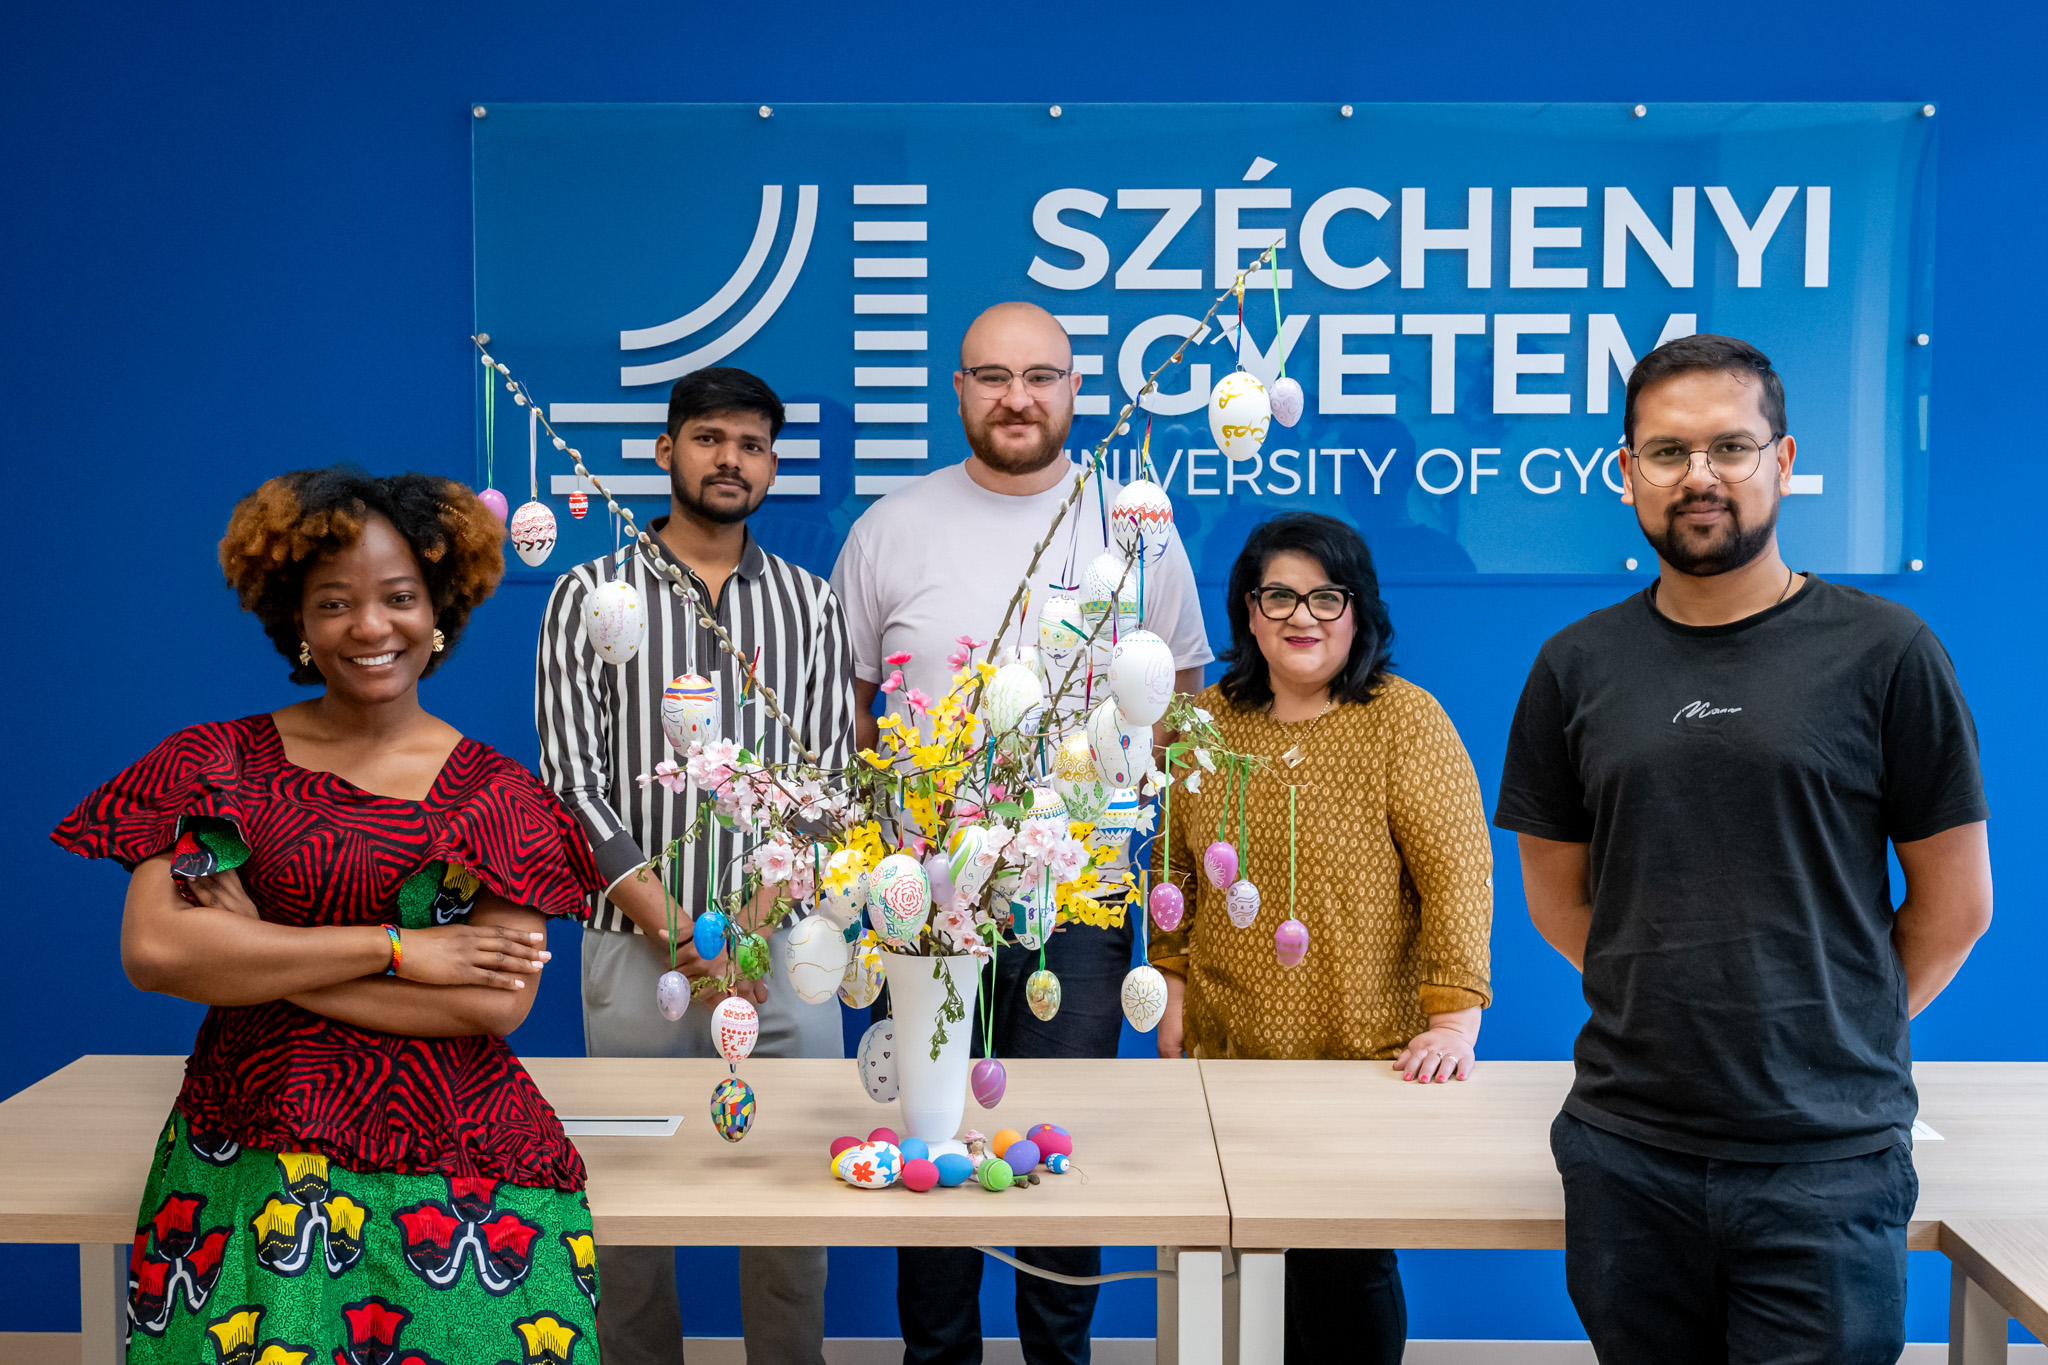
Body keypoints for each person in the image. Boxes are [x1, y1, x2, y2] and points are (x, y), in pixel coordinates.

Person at [1495, 334, 1993, 1363]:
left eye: (1729, 445)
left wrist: (1827, 1024)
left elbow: (1953, 906)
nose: (1700, 477)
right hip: (1628, 1151)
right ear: (1624, 472)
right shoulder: (1573, 666)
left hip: (1825, 1159)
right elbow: (1554, 896)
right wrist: (1670, 1006)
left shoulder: (1885, 653)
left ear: (1783, 458)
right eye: (1667, 452)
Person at [51, 468, 602, 1361]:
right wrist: (400, 949)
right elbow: (157, 949)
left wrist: (253, 953)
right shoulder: (215, 765)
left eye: (399, 598)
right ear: (296, 623)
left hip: (468, 1179)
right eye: (335, 602)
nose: (371, 627)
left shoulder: (501, 797)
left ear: (439, 611)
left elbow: (494, 1004)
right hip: (247, 1165)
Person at [830, 301, 1212, 1365]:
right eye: (992, 376)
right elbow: (856, 706)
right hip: (923, 909)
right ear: (956, 390)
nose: (1016, 397)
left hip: (1076, 903)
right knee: (929, 1140)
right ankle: (937, 1356)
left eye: (1040, 376)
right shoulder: (888, 528)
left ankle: (1060, 1355)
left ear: (1075, 390)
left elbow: (1175, 693)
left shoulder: (1131, 528)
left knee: (1057, 1147)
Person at [537, 365, 851, 1365]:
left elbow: (828, 779)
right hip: (634, 952)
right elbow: (571, 782)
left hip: (788, 947)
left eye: (753, 445)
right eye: (711, 438)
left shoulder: (809, 604)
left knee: (796, 1197)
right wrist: (675, 929)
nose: (732, 459)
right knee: (628, 1206)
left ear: (770, 465)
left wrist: (749, 926)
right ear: (667, 451)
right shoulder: (589, 595)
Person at [1149, 510, 1492, 1363]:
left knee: (1341, 1266)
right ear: (1249, 614)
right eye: (1279, 596)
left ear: (1358, 610)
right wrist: (1174, 985)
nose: (1302, 616)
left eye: (1325, 596)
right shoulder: (1205, 724)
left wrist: (1452, 1020)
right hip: (1226, 1051)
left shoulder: (1403, 720)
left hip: (1360, 1055)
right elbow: (1175, 873)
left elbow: (1458, 874)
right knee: (1231, 1271)